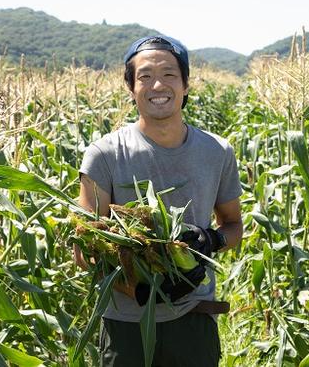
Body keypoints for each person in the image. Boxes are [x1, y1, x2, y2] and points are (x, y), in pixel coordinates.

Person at [76, 35, 243, 366]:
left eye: (169, 74)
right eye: (145, 76)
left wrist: (212, 238)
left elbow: (234, 226)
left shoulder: (216, 152)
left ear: (185, 85)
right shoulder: (104, 155)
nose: (158, 85)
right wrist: (140, 290)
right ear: (131, 87)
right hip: (127, 325)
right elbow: (85, 251)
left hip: (194, 319)